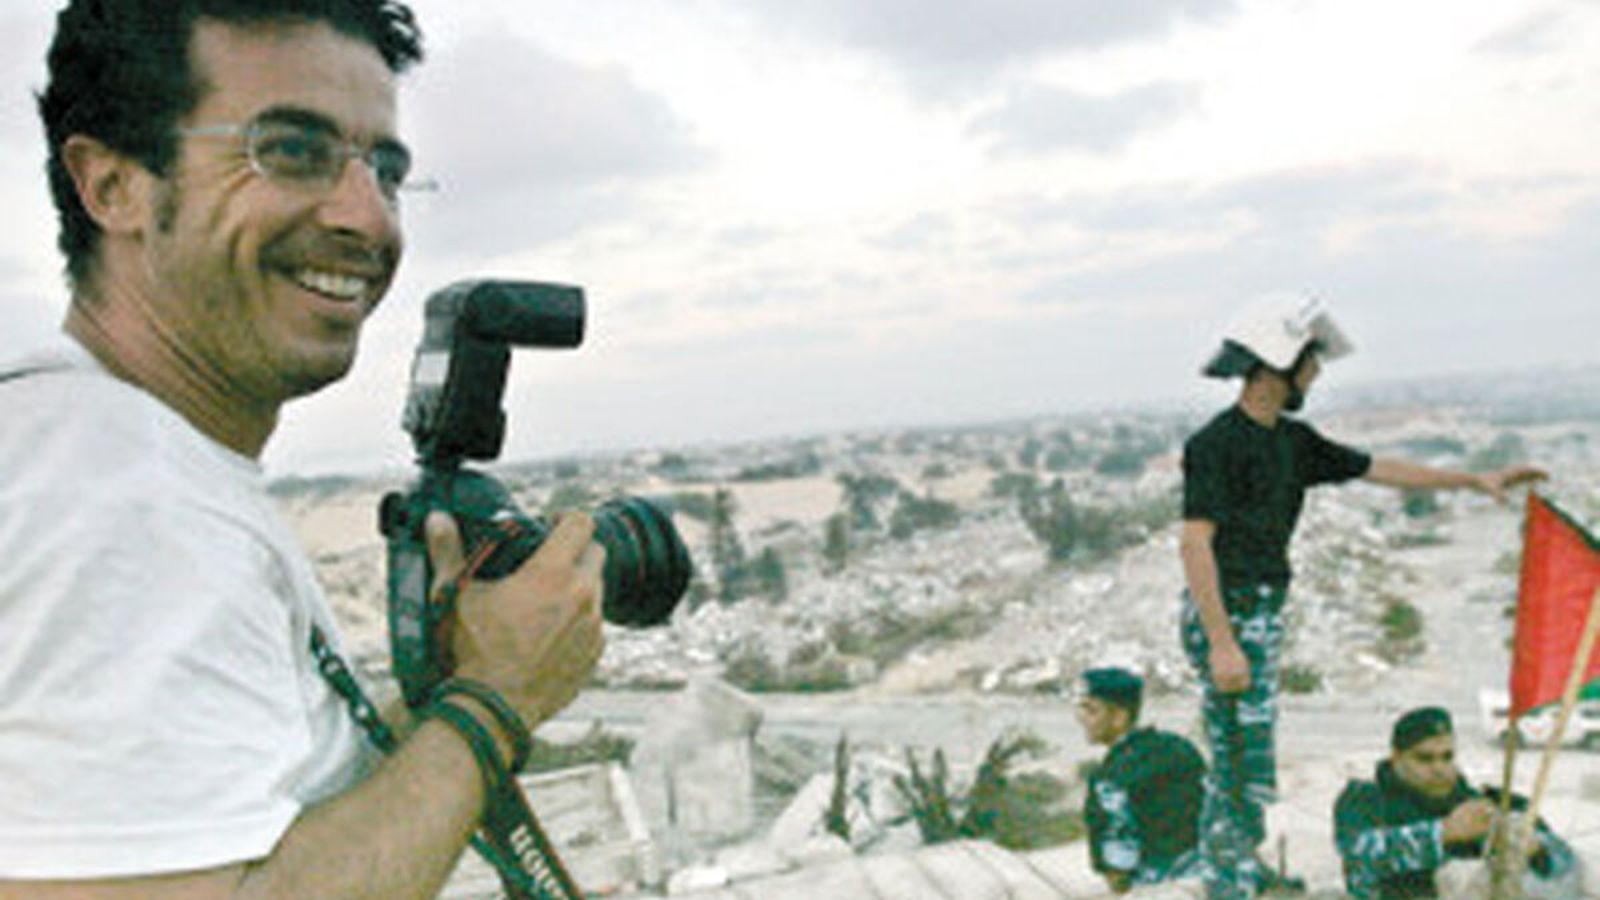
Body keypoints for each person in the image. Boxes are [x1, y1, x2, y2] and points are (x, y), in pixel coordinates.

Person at [0, 2, 606, 897]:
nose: (369, 218)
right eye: (290, 150)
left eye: (386, 170)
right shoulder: (119, 501)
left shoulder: (98, 447)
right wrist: (494, 703)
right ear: (113, 185)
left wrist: (452, 686)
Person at [1178, 294, 1547, 898]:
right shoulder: (1215, 445)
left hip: (1260, 611)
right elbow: (1196, 546)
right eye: (1309, 362)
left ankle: (1240, 864)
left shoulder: (1292, 442)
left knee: (1251, 753)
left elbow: (1381, 468)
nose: (1316, 375)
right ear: (1278, 362)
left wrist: (1474, 481)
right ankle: (1228, 881)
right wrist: (1222, 642)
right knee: (1236, 756)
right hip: (1229, 609)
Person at [1333, 706, 1580, 898]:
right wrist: (1443, 834)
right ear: (1396, 757)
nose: (1439, 768)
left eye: (1447, 757)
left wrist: (1535, 847)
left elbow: (1566, 861)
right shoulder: (1365, 800)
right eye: (1425, 758)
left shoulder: (1480, 801)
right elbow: (1359, 855)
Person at [1076, 667, 1209, 893]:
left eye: (1091, 710)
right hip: (1208, 881)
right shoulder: (1179, 748)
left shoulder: (1111, 778)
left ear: (1120, 716)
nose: (1081, 719)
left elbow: (1118, 866)